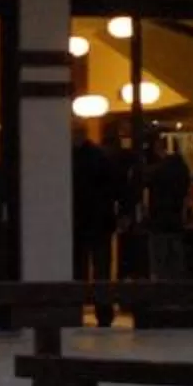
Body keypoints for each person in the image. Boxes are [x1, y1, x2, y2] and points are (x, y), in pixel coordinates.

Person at [71, 125, 120, 322]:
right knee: (101, 269)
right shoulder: (101, 157)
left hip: (80, 221)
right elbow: (114, 187)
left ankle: (76, 311)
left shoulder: (70, 158)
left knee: (79, 268)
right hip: (99, 220)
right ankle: (103, 312)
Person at [142, 136, 191, 282]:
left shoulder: (156, 171)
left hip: (159, 222)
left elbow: (145, 184)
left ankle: (162, 298)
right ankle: (176, 297)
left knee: (160, 264)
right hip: (175, 222)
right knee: (175, 263)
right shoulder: (183, 169)